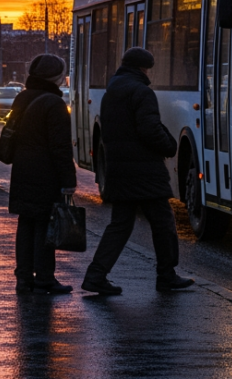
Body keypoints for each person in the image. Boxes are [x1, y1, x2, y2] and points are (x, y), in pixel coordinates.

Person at [82, 47, 193, 295]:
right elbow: (149, 128)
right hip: (144, 171)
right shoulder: (141, 92)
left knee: (120, 225)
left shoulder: (112, 91)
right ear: (144, 68)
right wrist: (169, 145)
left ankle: (96, 275)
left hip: (120, 169)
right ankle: (167, 275)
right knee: (163, 223)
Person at [5, 54, 77, 295]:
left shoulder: (22, 97)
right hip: (45, 173)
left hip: (23, 169)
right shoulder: (54, 104)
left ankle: (23, 278)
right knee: (46, 226)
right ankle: (45, 277)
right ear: (57, 76)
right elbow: (60, 147)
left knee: (26, 224)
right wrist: (68, 181)